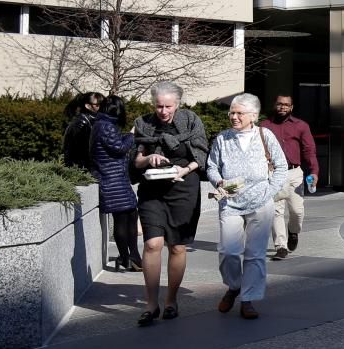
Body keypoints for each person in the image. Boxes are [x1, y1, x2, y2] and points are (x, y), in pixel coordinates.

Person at [132, 81, 209, 324]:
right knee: (153, 244)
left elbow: (202, 155)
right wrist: (149, 158)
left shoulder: (191, 121)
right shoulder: (143, 123)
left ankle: (171, 300)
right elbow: (136, 161)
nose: (163, 111)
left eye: (167, 106)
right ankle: (151, 303)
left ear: (177, 104)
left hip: (183, 187)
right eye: (158, 106)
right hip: (152, 190)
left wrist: (183, 169)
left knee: (177, 246)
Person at [206, 93, 289, 320]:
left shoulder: (265, 135)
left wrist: (269, 191)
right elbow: (212, 166)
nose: (234, 116)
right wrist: (219, 181)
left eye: (239, 113)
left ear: (252, 115)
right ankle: (234, 286)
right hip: (230, 202)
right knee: (228, 251)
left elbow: (281, 167)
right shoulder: (223, 139)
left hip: (261, 203)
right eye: (232, 112)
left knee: (255, 255)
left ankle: (248, 299)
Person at [87, 95, 142, 278]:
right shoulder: (105, 126)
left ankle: (129, 257)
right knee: (122, 217)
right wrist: (132, 135)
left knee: (130, 214)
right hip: (111, 179)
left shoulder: (101, 124)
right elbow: (119, 148)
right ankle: (129, 257)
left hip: (114, 177)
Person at [260, 94, 319, 260]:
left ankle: (293, 232)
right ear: (275, 105)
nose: (282, 107)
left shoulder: (301, 126)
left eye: (286, 105)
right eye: (279, 104)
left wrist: (314, 171)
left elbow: (309, 151)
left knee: (297, 211)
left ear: (291, 107)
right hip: (273, 173)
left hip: (294, 174)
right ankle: (281, 246)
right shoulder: (264, 126)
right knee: (275, 212)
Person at [61, 91, 103, 171]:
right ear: (87, 106)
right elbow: (85, 150)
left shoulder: (93, 119)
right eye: (97, 104)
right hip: (80, 170)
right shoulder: (81, 123)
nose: (101, 107)